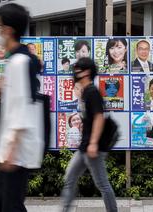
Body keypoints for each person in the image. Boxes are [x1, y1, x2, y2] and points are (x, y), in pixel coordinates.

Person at [0, 3, 45, 212]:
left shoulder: (18, 62)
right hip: (12, 151)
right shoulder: (18, 60)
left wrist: (11, 153)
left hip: (16, 153)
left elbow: (22, 109)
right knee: (2, 205)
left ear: (8, 30)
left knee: (10, 207)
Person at [61, 57, 117, 212]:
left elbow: (99, 117)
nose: (75, 72)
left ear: (86, 72)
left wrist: (93, 142)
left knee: (103, 185)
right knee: (70, 178)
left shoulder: (92, 92)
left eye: (78, 69)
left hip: (94, 148)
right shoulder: (86, 92)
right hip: (84, 147)